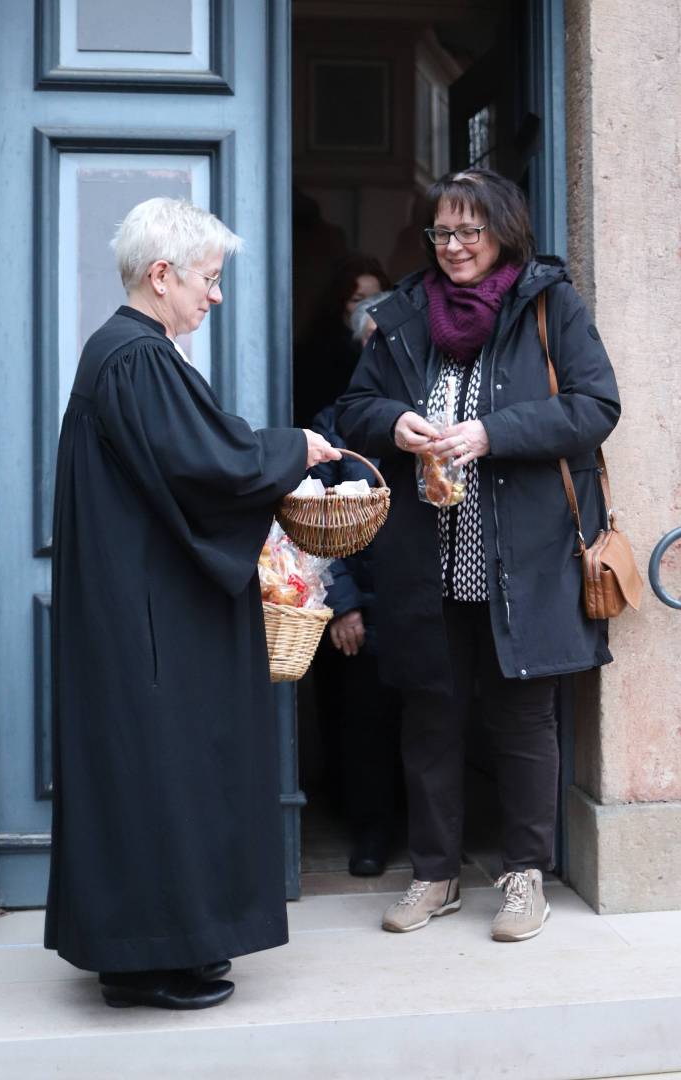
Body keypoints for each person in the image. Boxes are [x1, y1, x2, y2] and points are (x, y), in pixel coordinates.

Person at [44, 197, 340, 1009]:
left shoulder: (128, 354)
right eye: (208, 280)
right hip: (149, 614)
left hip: (141, 602)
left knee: (152, 775)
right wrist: (293, 450)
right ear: (162, 275)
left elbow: (188, 458)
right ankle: (150, 962)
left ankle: (163, 950)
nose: (214, 296)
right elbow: (207, 465)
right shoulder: (136, 356)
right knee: (159, 774)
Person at [336, 168, 620, 941]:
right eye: (442, 232)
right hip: (424, 558)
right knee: (430, 716)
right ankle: (435, 875)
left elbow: (596, 406)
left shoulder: (547, 304)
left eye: (470, 231)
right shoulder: (400, 316)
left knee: (525, 718)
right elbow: (352, 409)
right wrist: (394, 422)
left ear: (504, 231)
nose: (455, 246)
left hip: (523, 555)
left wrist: (494, 434)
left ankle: (525, 876)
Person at [309, 291, 401, 876]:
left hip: (426, 598)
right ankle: (372, 832)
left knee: (427, 723)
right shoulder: (333, 422)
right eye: (373, 341)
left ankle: (434, 837)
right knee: (364, 726)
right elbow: (313, 519)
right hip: (362, 604)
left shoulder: (431, 417)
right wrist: (342, 605)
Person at [293, 253, 391, 427]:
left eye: (376, 298)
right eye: (357, 299)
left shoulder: (395, 349)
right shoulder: (319, 354)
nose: (367, 307)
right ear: (340, 302)